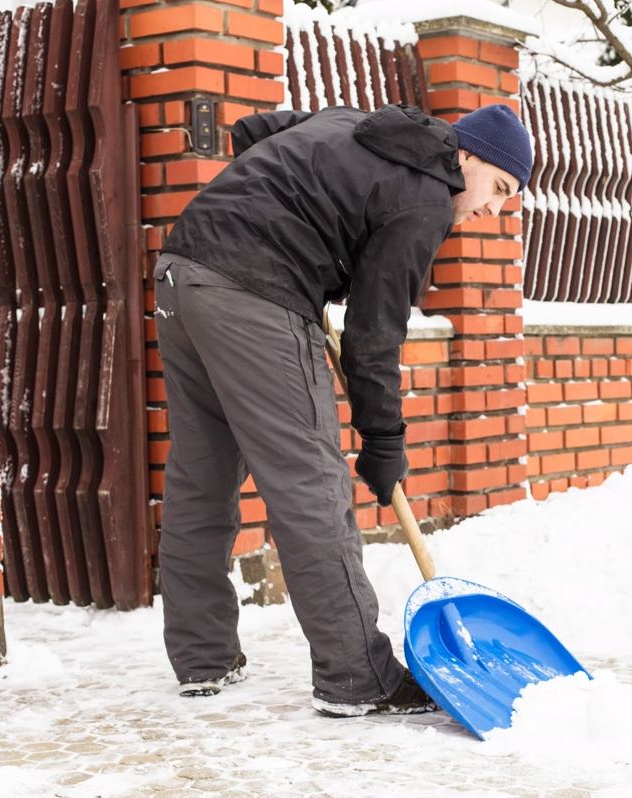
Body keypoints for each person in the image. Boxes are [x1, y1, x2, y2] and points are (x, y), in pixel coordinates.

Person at [152, 102, 533, 716]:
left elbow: (257, 130)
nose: (494, 208)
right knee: (313, 485)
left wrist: (292, 210)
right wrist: (383, 441)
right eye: (499, 187)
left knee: (202, 477)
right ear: (466, 155)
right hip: (256, 294)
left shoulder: (357, 123)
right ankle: (358, 677)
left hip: (183, 271)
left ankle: (203, 659)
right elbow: (374, 335)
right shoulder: (425, 199)